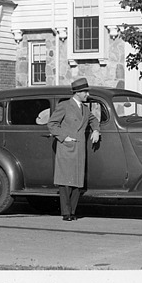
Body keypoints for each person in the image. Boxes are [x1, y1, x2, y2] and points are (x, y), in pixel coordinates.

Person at [47, 77, 100, 221]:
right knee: (65, 182)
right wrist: (64, 137)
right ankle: (66, 213)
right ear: (78, 93)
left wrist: (96, 130)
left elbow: (93, 120)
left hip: (79, 149)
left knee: (77, 182)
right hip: (66, 148)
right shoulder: (64, 106)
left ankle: (72, 211)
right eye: (85, 92)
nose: (87, 95)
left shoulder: (84, 109)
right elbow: (52, 124)